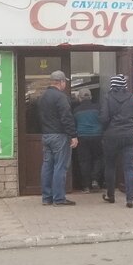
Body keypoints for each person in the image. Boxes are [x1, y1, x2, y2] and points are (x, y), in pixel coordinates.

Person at [38, 70, 78, 206]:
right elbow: (66, 117)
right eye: (64, 82)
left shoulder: (42, 96)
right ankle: (59, 198)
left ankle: (46, 197)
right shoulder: (61, 97)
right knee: (60, 167)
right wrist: (73, 135)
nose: (65, 84)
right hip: (59, 136)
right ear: (61, 82)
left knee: (47, 166)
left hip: (46, 135)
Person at [99, 74, 133, 207]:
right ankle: (129, 199)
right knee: (129, 167)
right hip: (129, 135)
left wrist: (106, 129)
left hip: (112, 135)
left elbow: (104, 118)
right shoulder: (132, 97)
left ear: (112, 85)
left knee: (110, 165)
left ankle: (111, 195)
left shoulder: (107, 98)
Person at [73, 87, 103, 192]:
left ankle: (86, 186)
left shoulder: (76, 110)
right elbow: (103, 120)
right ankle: (95, 179)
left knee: (84, 161)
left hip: (82, 137)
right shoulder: (98, 108)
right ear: (90, 97)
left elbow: (73, 124)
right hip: (97, 136)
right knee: (99, 158)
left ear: (79, 98)